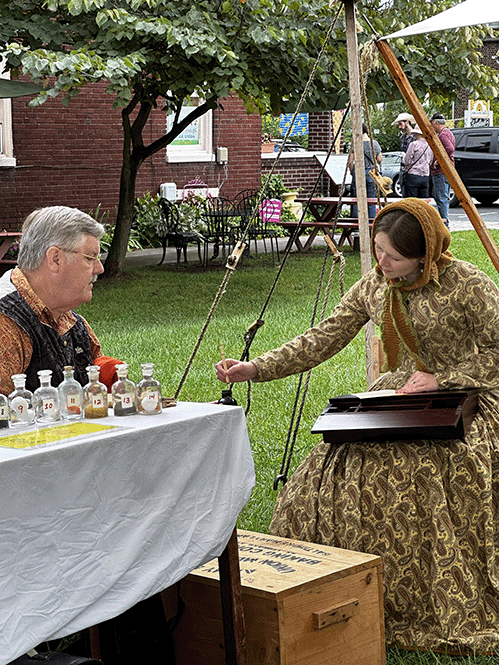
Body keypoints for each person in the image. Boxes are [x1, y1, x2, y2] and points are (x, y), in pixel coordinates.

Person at [216, 198, 499, 653]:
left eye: (393, 256)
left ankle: (423, 598)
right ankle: (329, 592)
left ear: (424, 255)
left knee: (433, 473)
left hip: (472, 397)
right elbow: (324, 336)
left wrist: (443, 377)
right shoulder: (376, 286)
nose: (381, 263)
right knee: (331, 474)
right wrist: (256, 368)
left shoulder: (468, 284)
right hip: (403, 397)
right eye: (377, 250)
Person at [0, 205, 120, 395]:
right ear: (55, 258)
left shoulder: (71, 321)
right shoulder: (5, 321)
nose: (99, 269)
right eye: (90, 258)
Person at [348, 123, 382, 219]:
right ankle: (371, 222)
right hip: (371, 172)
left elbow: (350, 161)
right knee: (371, 200)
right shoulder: (374, 143)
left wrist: (352, 171)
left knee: (357, 199)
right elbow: (379, 159)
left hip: (358, 172)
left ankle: (355, 224)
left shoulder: (355, 143)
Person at [430, 112, 455, 228]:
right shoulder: (449, 133)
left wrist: (438, 160)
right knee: (444, 196)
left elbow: (450, 148)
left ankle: (445, 224)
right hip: (447, 170)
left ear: (436, 123)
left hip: (441, 171)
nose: (432, 127)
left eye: (432, 124)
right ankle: (445, 222)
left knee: (441, 197)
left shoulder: (443, 135)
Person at [402, 125, 432, 198]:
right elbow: (430, 161)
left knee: (412, 200)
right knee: (423, 201)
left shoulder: (413, 144)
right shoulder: (430, 146)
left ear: (417, 134)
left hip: (413, 175)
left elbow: (407, 161)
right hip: (425, 176)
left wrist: (403, 158)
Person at [391, 112, 415, 196]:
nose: (399, 127)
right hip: (403, 169)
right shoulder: (402, 138)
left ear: (407, 122)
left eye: (400, 124)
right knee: (404, 193)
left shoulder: (415, 137)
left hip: (413, 170)